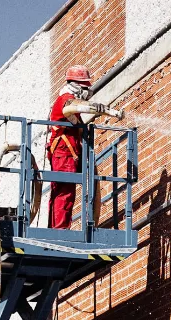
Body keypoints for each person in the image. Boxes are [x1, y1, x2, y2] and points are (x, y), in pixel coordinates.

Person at [47, 65, 104, 229]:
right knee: (64, 192)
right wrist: (100, 109)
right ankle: (60, 229)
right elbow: (71, 106)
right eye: (85, 86)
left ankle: (58, 227)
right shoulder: (66, 98)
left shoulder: (67, 101)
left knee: (63, 191)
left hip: (67, 154)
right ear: (77, 85)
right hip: (63, 153)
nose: (88, 91)